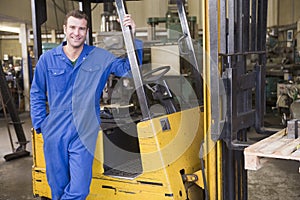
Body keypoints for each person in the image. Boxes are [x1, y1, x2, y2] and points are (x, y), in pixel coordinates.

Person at [30, 10, 143, 200]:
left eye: (81, 28)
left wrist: (132, 36)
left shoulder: (99, 57)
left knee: (80, 189)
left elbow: (129, 70)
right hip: (55, 130)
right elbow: (36, 93)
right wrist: (41, 124)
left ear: (87, 31)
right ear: (65, 29)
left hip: (84, 129)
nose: (77, 33)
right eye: (73, 27)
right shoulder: (47, 59)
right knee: (57, 187)